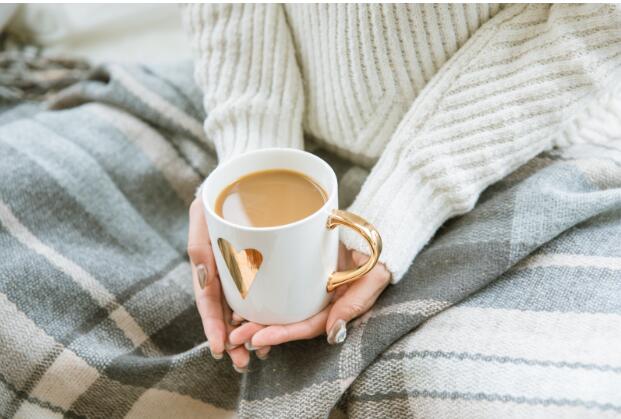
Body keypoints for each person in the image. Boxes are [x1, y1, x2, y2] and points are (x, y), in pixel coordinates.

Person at [183, 4, 621, 372]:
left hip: (526, 143)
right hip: (294, 135)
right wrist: (253, 159)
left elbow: (591, 19)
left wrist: (408, 195)